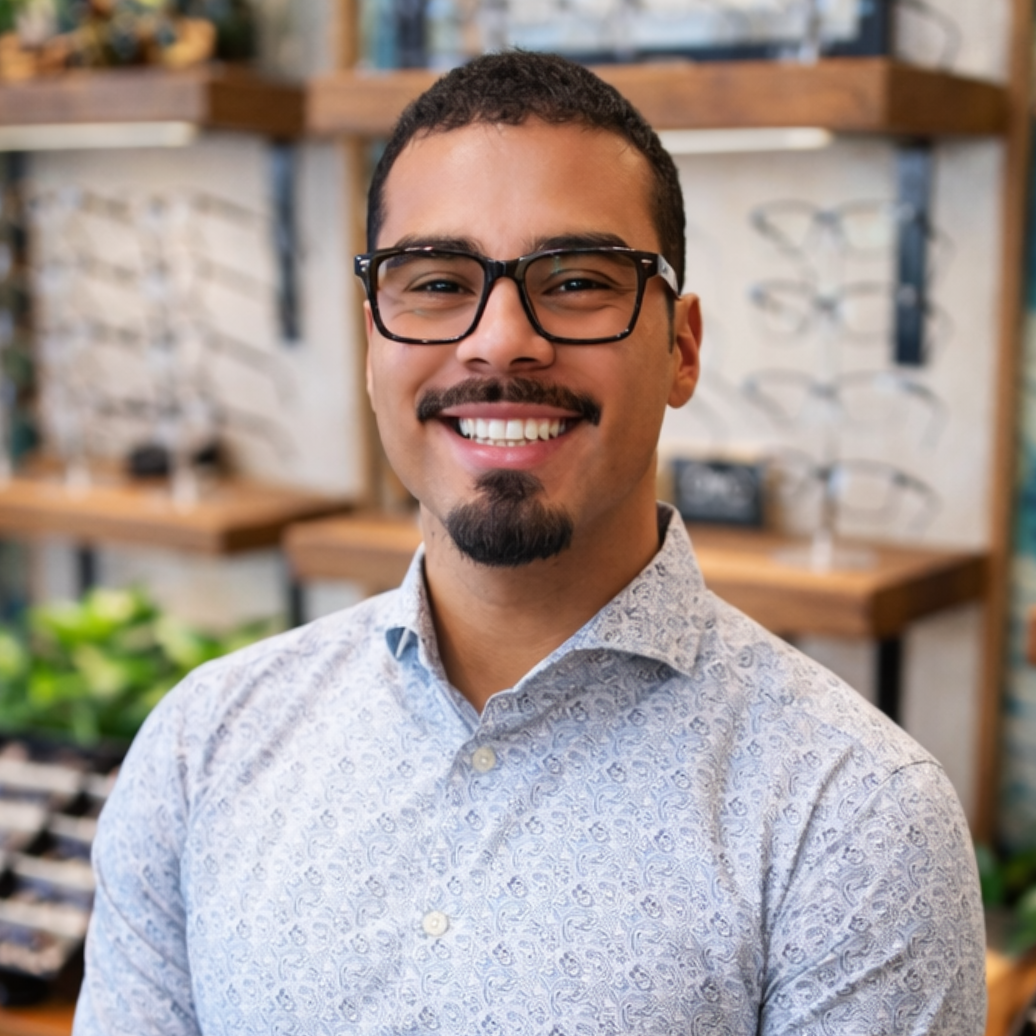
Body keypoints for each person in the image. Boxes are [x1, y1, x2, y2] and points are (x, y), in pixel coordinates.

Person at [74, 51, 985, 1035]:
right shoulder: (203, 745)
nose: (500, 338)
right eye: (433, 281)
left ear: (680, 347)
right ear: (372, 339)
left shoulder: (851, 817)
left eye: (578, 280)